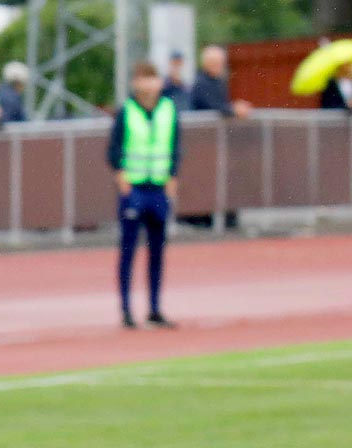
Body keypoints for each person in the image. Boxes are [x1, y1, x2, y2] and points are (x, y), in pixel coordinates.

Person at [108, 62, 179, 330]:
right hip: (134, 188)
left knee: (158, 251)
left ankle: (155, 307)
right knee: (128, 250)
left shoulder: (168, 109)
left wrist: (173, 176)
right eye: (144, 79)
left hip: (158, 188)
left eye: (153, 79)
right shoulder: (126, 111)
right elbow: (114, 150)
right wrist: (121, 178)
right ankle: (126, 309)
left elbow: (175, 146)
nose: (149, 85)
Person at [190, 45, 252, 119]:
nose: (219, 66)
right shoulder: (201, 83)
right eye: (215, 63)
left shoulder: (218, 81)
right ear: (206, 63)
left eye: (221, 63)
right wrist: (234, 109)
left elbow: (221, 103)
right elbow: (213, 106)